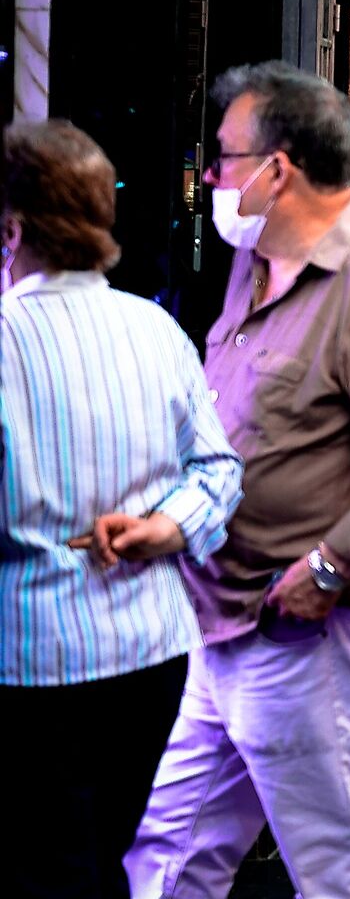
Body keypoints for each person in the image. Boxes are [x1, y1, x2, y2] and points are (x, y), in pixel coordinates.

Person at [127, 64, 350, 899]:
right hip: (224, 617)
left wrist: (327, 568)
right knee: (168, 856)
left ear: (277, 168)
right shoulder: (255, 261)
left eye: (224, 158)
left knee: (343, 876)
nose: (212, 178)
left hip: (309, 636)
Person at [0, 121, 244, 899]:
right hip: (151, 653)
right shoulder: (157, 330)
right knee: (111, 857)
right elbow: (218, 470)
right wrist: (166, 527)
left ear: (13, 228)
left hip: (28, 659)